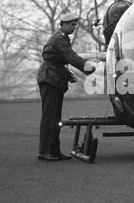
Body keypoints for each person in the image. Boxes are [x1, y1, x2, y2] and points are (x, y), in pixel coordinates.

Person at [36, 13, 96, 161]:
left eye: (75, 24)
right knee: (50, 117)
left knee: (55, 117)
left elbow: (59, 59)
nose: (74, 27)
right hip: (50, 79)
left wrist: (67, 74)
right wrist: (87, 67)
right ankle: (45, 152)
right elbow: (70, 57)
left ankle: (54, 151)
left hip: (53, 78)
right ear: (62, 24)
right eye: (71, 24)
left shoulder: (60, 37)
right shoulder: (60, 38)